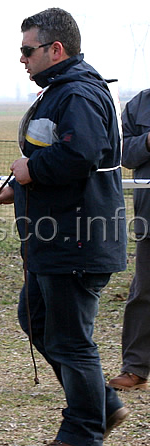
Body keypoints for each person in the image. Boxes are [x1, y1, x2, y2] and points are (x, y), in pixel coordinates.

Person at [0, 8, 129, 446]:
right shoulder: (61, 92)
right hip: (58, 240)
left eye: (27, 50)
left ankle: (83, 436)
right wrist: (16, 190)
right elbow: (62, 160)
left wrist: (29, 172)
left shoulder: (78, 93)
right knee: (37, 320)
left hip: (76, 241)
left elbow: (79, 155)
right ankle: (101, 405)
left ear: (55, 49)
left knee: (70, 339)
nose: (22, 59)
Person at [107, 89, 150, 392]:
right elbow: (120, 152)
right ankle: (136, 368)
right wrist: (148, 142)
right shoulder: (140, 105)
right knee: (144, 293)